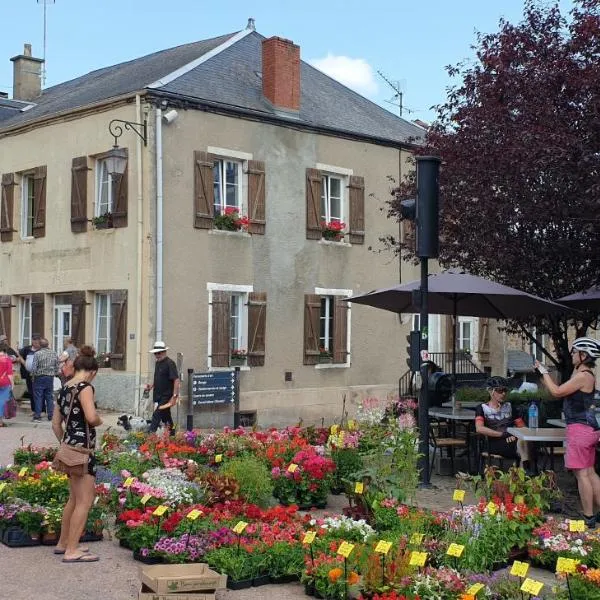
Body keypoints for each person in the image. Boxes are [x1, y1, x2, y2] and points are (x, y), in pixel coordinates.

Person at [536, 337, 600, 528]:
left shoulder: (582, 376)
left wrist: (543, 371)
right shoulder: (587, 375)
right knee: (590, 472)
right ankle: (596, 513)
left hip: (580, 430)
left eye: (574, 352)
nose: (571, 355)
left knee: (582, 475)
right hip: (589, 429)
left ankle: (588, 516)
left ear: (583, 355)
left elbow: (556, 391)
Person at [51, 346, 102, 562]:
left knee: (73, 499)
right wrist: (100, 421)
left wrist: (66, 441)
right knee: (85, 501)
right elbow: (91, 417)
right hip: (83, 451)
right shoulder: (85, 387)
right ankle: (73, 550)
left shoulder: (64, 388)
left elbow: (55, 425)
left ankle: (63, 543)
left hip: (69, 448)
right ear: (91, 372)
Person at [475, 376, 531, 469]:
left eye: (505, 390)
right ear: (490, 391)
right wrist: (503, 435)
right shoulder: (482, 408)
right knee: (525, 446)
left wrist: (516, 435)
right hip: (493, 442)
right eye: (500, 391)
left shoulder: (510, 407)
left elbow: (523, 428)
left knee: (525, 441)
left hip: (512, 440)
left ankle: (523, 471)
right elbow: (479, 428)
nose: (504, 393)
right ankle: (525, 470)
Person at [146, 341, 179, 436]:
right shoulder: (158, 363)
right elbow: (158, 378)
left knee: (157, 414)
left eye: (159, 353)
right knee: (166, 416)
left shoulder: (170, 363)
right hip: (158, 394)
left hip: (167, 395)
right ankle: (172, 434)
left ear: (164, 352)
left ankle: (150, 435)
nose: (157, 355)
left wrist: (174, 396)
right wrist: (151, 386)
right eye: (155, 353)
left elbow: (176, 380)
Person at [30, 338, 59, 422]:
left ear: (40, 345)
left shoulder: (37, 354)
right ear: (48, 344)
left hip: (39, 377)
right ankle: (51, 415)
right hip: (50, 377)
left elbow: (34, 367)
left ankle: (37, 416)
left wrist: (32, 376)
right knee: (49, 396)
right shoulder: (54, 353)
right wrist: (55, 373)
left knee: (38, 396)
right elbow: (57, 365)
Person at [15, 334, 41, 413]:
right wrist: (21, 360)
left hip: (39, 374)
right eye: (34, 341)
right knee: (31, 392)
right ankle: (34, 410)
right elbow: (18, 355)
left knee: (38, 392)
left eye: (37, 342)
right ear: (32, 341)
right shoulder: (27, 349)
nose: (36, 344)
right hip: (28, 374)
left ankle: (40, 410)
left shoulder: (41, 350)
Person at [0, 342, 14, 427]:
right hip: (4, 381)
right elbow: (9, 373)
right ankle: (0, 421)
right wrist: (12, 384)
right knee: (2, 401)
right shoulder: (7, 359)